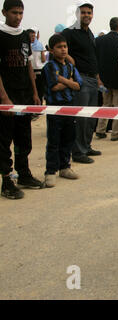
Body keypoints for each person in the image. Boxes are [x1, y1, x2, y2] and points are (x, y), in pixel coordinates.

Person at [0, 0, 44, 199]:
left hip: (24, 95)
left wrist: (34, 93)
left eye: (21, 13)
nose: (18, 17)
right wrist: (4, 97)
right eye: (14, 13)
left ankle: (24, 174)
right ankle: (7, 181)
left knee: (23, 137)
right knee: (3, 140)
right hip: (5, 98)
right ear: (4, 12)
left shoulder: (25, 36)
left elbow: (28, 65)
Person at [61, 0, 102, 164]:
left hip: (93, 79)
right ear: (77, 14)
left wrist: (98, 77)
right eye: (83, 12)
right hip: (80, 79)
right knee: (81, 118)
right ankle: (77, 152)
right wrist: (72, 61)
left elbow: (92, 57)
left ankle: (86, 146)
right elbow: (54, 46)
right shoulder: (69, 32)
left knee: (91, 117)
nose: (86, 15)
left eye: (89, 13)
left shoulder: (90, 33)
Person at [42, 34, 82, 188]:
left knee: (69, 137)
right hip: (54, 106)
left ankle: (64, 167)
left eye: (65, 46)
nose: (63, 50)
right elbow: (53, 86)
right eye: (59, 47)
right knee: (54, 139)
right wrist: (70, 82)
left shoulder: (70, 67)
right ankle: (50, 171)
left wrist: (63, 80)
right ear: (52, 50)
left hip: (70, 105)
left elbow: (79, 85)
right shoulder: (49, 67)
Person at [94, 17, 118, 142]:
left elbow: (95, 60)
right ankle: (116, 133)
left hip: (103, 79)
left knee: (105, 104)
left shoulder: (99, 40)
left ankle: (100, 130)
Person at [28, 28, 46, 103]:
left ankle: (36, 109)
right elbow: (43, 60)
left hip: (36, 70)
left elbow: (43, 59)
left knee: (36, 91)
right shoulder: (39, 45)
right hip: (34, 70)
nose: (33, 38)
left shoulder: (28, 46)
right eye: (31, 36)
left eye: (34, 36)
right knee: (38, 91)